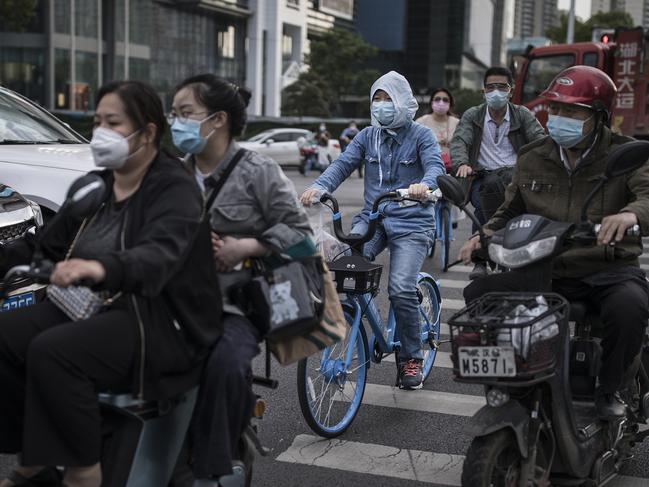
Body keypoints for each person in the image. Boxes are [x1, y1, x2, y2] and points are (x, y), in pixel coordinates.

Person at [0, 80, 221, 487]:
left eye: (113, 122)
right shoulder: (99, 183)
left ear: (148, 132)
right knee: (6, 335)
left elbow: (158, 256)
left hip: (157, 319)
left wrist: (99, 268)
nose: (101, 130)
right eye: (97, 120)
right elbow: (44, 245)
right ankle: (36, 459)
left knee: (53, 351)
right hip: (88, 305)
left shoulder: (175, 187)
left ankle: (84, 470)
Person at [458, 65, 649, 420]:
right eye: (556, 109)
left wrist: (631, 215)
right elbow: (509, 209)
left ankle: (611, 388)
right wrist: (481, 236)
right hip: (545, 268)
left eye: (572, 112)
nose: (559, 118)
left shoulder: (625, 155)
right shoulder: (533, 157)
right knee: (479, 297)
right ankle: (516, 384)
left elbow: (646, 194)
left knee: (630, 308)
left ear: (599, 116)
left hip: (606, 269)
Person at [168, 74, 312, 484]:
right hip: (173, 303)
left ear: (217, 120)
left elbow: (300, 236)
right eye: (173, 113)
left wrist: (245, 247)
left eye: (184, 113)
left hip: (235, 307)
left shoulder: (258, 171)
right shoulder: (173, 174)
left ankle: (212, 469)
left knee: (225, 363)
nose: (174, 122)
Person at [300, 71, 446, 390]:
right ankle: (363, 319)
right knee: (345, 272)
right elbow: (342, 165)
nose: (381, 106)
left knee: (400, 289)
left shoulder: (421, 136)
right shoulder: (367, 136)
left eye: (388, 99)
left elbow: (436, 166)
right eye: (376, 99)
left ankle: (410, 357)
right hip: (373, 219)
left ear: (403, 102)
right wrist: (319, 187)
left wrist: (425, 184)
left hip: (412, 220)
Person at [450, 66, 545, 280]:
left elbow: (540, 141)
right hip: (480, 177)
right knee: (485, 203)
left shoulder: (522, 115)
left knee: (511, 206)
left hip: (514, 178)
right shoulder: (473, 115)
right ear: (483, 91)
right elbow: (459, 141)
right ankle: (481, 261)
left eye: (501, 87)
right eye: (490, 87)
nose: (496, 91)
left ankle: (499, 254)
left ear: (510, 91)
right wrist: (462, 163)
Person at [416, 88, 460, 173]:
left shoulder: (457, 123)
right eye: (437, 99)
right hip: (425, 170)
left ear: (450, 103)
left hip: (451, 171)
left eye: (445, 100)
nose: (441, 102)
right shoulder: (420, 122)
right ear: (431, 102)